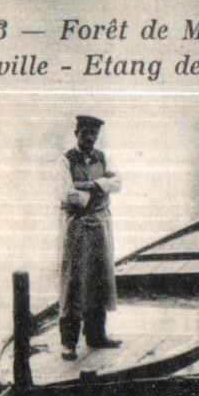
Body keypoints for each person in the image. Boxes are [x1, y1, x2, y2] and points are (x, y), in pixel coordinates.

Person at [59, 114, 122, 360]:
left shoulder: (102, 157)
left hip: (101, 226)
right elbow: (68, 194)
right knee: (74, 282)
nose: (90, 138)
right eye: (85, 133)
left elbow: (117, 183)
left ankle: (96, 335)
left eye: (94, 134)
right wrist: (97, 188)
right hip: (77, 227)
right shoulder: (65, 161)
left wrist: (90, 185)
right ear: (77, 133)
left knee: (100, 277)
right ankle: (69, 343)